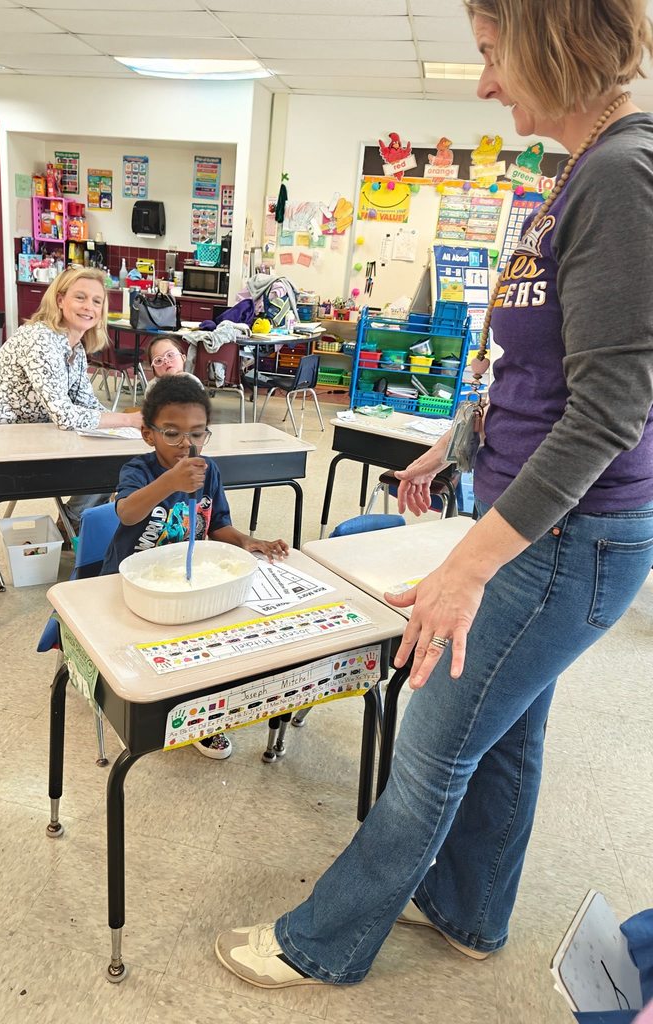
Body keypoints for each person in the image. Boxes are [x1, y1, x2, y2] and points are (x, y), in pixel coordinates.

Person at [216, 0, 653, 988]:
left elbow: (611, 409)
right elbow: (536, 368)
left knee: (430, 748)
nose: (488, 82)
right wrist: (458, 440)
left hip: (567, 542)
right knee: (506, 731)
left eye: (494, 56)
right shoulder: (580, 172)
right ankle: (469, 909)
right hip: (550, 533)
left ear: (552, 42)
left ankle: (320, 943)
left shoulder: (625, 175)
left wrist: (466, 564)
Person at [101, 375, 289, 758]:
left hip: (185, 583)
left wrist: (246, 541)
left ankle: (200, 718)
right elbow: (127, 510)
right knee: (140, 652)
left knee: (206, 646)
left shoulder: (209, 471)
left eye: (197, 434)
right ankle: (134, 704)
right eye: (172, 433)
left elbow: (216, 523)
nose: (186, 444)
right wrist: (170, 481)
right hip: (132, 583)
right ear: (148, 435)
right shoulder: (138, 470)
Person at [0, 267, 143, 533]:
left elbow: (87, 405)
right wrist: (128, 418)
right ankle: (76, 521)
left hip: (36, 434)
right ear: (60, 300)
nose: (89, 307)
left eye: (97, 301)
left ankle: (78, 522)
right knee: (106, 463)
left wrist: (129, 427)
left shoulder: (76, 347)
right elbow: (65, 416)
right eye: (80, 297)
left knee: (120, 454)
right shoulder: (40, 338)